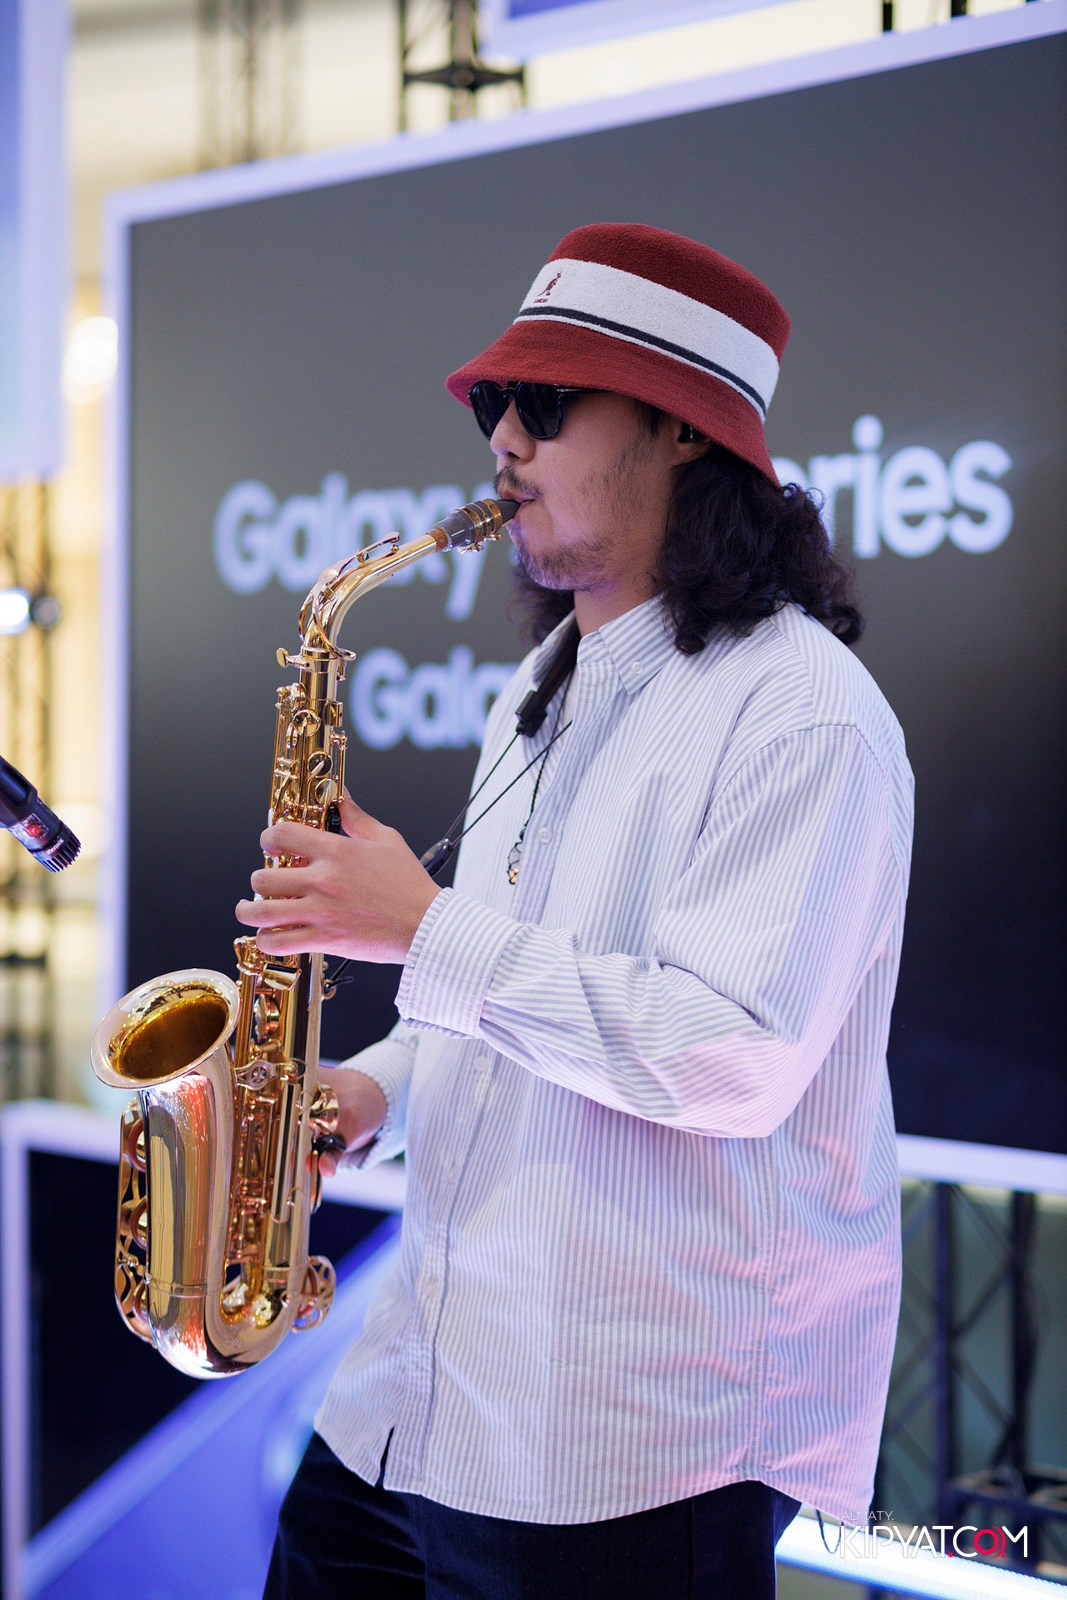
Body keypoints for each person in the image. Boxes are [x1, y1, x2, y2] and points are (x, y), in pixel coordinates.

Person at [236, 222, 914, 1599]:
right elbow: (505, 1018)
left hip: (631, 1451)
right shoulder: (540, 685)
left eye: (544, 403)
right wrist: (370, 1094)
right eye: (495, 403)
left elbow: (728, 1057)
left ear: (682, 428)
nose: (504, 439)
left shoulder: (808, 715)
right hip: (419, 1395)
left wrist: (423, 930)